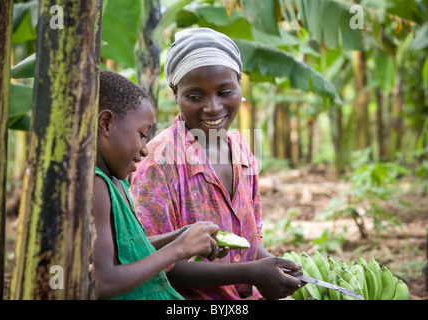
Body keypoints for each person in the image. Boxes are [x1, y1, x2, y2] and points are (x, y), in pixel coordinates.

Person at [129, 27, 303, 300]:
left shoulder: (241, 150)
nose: (213, 107)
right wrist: (252, 273)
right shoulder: (157, 162)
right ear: (175, 92)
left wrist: (276, 268)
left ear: (239, 84)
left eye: (225, 91)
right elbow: (155, 264)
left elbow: (246, 239)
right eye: (195, 97)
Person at [93, 69, 224, 300]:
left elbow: (130, 250)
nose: (144, 149)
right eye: (142, 135)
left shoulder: (117, 182)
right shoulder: (95, 186)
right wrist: (179, 249)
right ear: (106, 124)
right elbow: (103, 283)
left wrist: (180, 235)